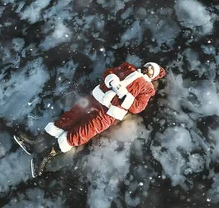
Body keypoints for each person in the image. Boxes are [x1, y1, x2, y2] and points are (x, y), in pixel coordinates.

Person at [14, 61, 166, 177]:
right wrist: (112, 80)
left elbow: (138, 106)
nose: (149, 68)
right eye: (149, 65)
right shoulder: (128, 67)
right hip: (95, 98)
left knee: (80, 134)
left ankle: (45, 155)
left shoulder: (147, 89)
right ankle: (35, 143)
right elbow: (109, 72)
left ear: (153, 75)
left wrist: (124, 95)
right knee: (69, 117)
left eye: (153, 69)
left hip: (108, 114)